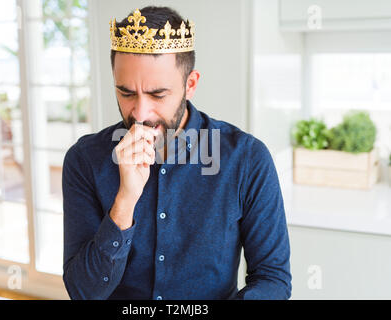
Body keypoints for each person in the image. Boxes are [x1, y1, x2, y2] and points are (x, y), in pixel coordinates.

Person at [62, 6, 291, 300]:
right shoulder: (84, 160)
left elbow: (273, 280)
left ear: (190, 84)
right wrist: (124, 202)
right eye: (127, 93)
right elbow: (83, 293)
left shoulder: (247, 159)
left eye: (158, 94)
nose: (141, 113)